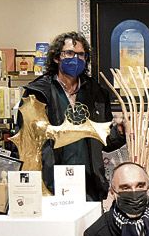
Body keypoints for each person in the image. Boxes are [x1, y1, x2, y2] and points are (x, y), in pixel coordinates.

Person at [17, 31, 125, 201]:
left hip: (88, 186)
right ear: (56, 57)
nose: (75, 58)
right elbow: (27, 145)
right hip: (51, 186)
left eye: (81, 54)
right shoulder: (37, 93)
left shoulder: (96, 93)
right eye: (69, 53)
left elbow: (104, 141)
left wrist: (119, 131)